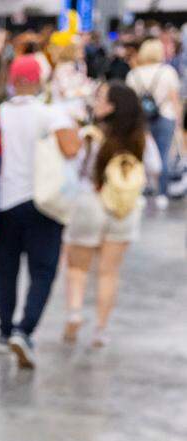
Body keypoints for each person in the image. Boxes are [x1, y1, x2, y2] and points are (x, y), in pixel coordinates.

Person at [0, 55, 80, 368]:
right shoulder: (50, 113)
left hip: (5, 203)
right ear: (37, 80)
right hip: (43, 203)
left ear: (13, 81)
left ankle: (4, 331)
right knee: (42, 271)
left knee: (7, 271)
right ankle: (24, 330)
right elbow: (71, 148)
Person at [64, 82, 159, 347]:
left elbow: (74, 167)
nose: (96, 102)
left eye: (101, 98)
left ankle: (74, 313)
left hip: (90, 202)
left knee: (77, 267)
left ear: (111, 107)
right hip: (124, 208)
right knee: (109, 273)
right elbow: (155, 168)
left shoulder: (91, 135)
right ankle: (101, 330)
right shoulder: (141, 139)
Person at [127, 38, 182, 208]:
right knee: (163, 154)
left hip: (141, 119)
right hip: (166, 116)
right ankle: (162, 194)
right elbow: (174, 98)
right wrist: (179, 122)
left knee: (141, 154)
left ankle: (141, 191)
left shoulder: (134, 74)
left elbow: (131, 102)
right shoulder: (168, 72)